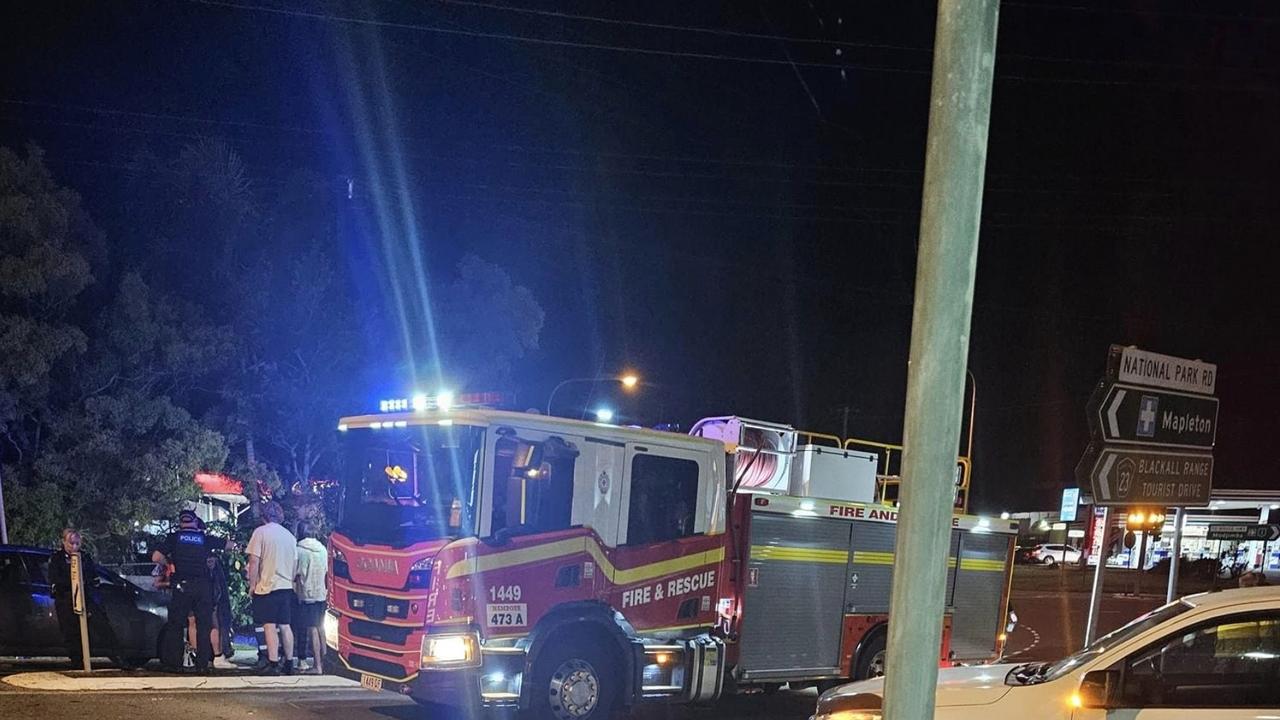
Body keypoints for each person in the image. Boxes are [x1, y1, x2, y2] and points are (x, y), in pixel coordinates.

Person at [154, 510, 225, 673]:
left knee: (176, 625)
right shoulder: (204, 539)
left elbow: (156, 557)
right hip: (203, 586)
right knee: (204, 625)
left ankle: (174, 664)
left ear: (180, 522)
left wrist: (169, 563)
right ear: (195, 522)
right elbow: (229, 544)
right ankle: (202, 665)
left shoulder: (174, 538)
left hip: (181, 586)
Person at [246, 501, 297, 675]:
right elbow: (294, 565)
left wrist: (252, 585)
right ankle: (289, 662)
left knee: (269, 625)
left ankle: (273, 662)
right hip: (286, 586)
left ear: (264, 516)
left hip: (267, 586)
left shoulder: (260, 533)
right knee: (285, 625)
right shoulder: (289, 536)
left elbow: (254, 561)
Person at [48, 528, 98, 667]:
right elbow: (55, 579)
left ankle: (86, 657)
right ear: (64, 542)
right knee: (70, 632)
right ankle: (76, 660)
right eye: (71, 543)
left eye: (77, 543)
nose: (74, 547)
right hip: (66, 601)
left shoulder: (85, 557)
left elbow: (93, 577)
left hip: (85, 600)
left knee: (87, 630)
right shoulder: (57, 559)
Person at [293, 521, 328, 674]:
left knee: (312, 628)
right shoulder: (323, 549)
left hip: (307, 594)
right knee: (322, 628)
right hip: (322, 593)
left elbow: (296, 573)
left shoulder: (299, 550)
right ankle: (326, 661)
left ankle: (317, 666)